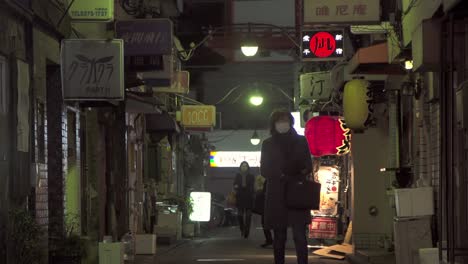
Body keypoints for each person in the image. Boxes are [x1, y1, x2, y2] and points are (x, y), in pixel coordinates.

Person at [260, 109, 312, 264]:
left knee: (299, 235)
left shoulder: (301, 141)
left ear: (291, 122)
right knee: (279, 236)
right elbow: (264, 170)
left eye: (285, 120)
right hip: (277, 193)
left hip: (297, 191)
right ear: (273, 124)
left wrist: (297, 172)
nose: (283, 124)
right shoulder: (267, 144)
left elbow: (308, 165)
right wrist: (280, 175)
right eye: (279, 121)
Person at [233, 161, 255, 238]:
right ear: (240, 167)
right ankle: (242, 228)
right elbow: (234, 184)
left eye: (245, 166)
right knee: (240, 215)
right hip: (240, 197)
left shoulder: (251, 176)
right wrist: (237, 187)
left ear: (248, 167)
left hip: (248, 197)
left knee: (248, 216)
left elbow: (252, 186)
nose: (244, 167)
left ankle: (247, 231)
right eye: (243, 166)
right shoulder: (237, 175)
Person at [253, 179, 273, 248]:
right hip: (275, 205)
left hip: (267, 206)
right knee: (276, 225)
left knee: (265, 223)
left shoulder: (268, 180)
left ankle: (269, 240)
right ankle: (275, 240)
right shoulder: (280, 178)